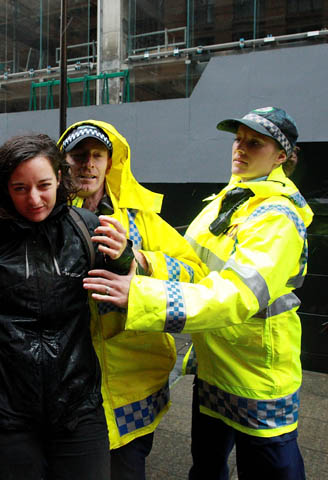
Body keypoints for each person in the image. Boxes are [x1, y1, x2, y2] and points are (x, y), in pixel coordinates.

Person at [94, 107, 312, 479]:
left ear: (281, 156)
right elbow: (191, 266)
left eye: (255, 143)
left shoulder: (276, 218)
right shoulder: (230, 201)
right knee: (208, 468)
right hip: (214, 367)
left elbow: (235, 294)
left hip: (257, 378)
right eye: (238, 139)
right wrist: (140, 259)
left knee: (270, 469)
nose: (240, 149)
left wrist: (141, 297)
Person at [0, 134, 134, 480]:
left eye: (44, 185)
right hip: (6, 412)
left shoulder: (86, 227)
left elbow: (123, 294)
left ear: (60, 178)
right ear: (6, 187)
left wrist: (125, 256)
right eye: (20, 188)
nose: (34, 199)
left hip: (77, 407)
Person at [58, 120, 205, 480]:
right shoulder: (48, 215)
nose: (88, 164)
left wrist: (141, 258)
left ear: (111, 162)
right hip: (70, 383)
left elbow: (196, 275)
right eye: (78, 156)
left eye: (97, 155)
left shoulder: (141, 221)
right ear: (63, 163)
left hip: (134, 386)